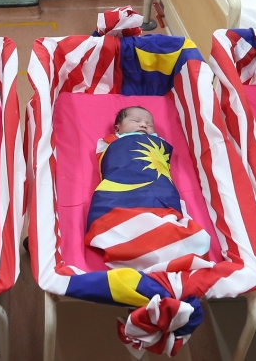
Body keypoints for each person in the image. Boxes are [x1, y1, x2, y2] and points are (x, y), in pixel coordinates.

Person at [85, 107, 211, 272]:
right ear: (117, 128)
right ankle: (138, 242)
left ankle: (156, 243)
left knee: (164, 214)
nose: (144, 125)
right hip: (121, 188)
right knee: (119, 214)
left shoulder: (156, 141)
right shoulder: (112, 142)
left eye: (149, 124)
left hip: (157, 188)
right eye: (135, 121)